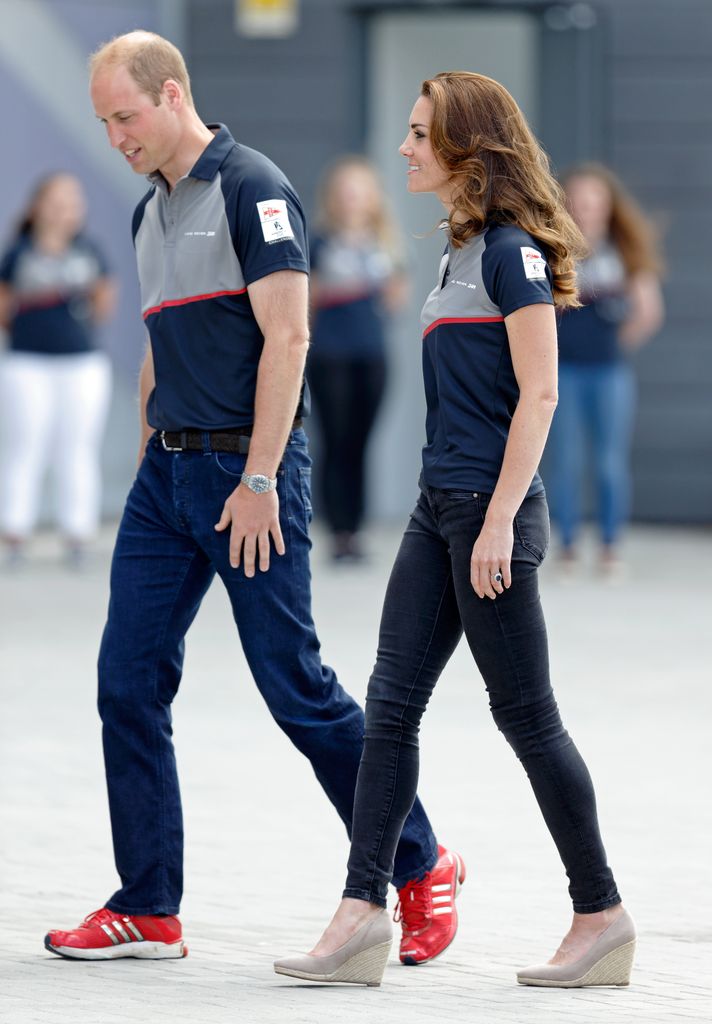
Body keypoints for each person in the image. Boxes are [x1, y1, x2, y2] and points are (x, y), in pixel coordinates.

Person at [43, 31, 463, 965]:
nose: (114, 136)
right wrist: (154, 440)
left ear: (173, 92)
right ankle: (148, 906)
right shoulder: (149, 213)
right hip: (167, 485)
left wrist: (263, 478)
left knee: (296, 690)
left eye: (125, 116)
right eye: (103, 121)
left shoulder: (253, 189)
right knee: (127, 684)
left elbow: (289, 339)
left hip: (249, 477)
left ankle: (422, 862)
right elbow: (161, 340)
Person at [274, 72, 636, 989]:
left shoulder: (511, 253)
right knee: (389, 705)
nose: (404, 148)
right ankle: (362, 912)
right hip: (440, 507)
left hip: (486, 514)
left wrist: (501, 522)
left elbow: (542, 393)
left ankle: (600, 913)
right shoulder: (456, 253)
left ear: (467, 148)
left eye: (420, 133)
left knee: (525, 715)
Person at [548, 163, 664, 576]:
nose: (586, 210)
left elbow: (648, 311)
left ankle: (610, 546)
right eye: (578, 202)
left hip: (609, 373)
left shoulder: (624, 252)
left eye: (595, 202)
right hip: (562, 372)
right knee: (566, 460)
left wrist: (616, 345)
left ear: (609, 207)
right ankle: (566, 545)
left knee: (610, 461)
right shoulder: (554, 250)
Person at [0, 174, 115, 565]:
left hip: (81, 363)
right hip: (28, 362)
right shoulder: (18, 253)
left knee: (77, 448)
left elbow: (103, 302)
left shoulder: (90, 251)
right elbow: (4, 307)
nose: (64, 208)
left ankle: (77, 534)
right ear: (37, 206)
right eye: (56, 200)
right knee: (25, 446)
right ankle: (15, 532)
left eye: (72, 200)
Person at [308, 157, 407, 561]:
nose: (351, 198)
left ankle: (356, 527)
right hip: (329, 354)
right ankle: (338, 531)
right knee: (334, 441)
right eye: (345, 190)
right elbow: (305, 299)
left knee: (360, 444)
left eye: (359, 190)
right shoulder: (318, 242)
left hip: (372, 354)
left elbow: (397, 299)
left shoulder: (385, 244)